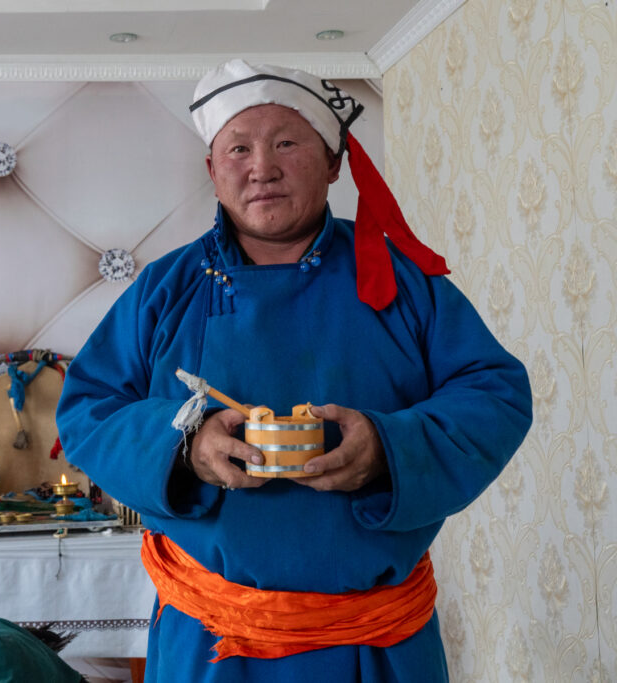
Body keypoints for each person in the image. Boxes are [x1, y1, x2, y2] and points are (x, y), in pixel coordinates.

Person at [55, 59, 533, 682]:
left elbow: (496, 393)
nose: (263, 168)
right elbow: (88, 410)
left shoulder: (401, 281)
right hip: (211, 646)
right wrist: (185, 449)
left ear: (334, 162)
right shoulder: (163, 289)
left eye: (286, 143)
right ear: (212, 169)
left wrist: (388, 449)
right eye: (239, 148)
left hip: (378, 645)